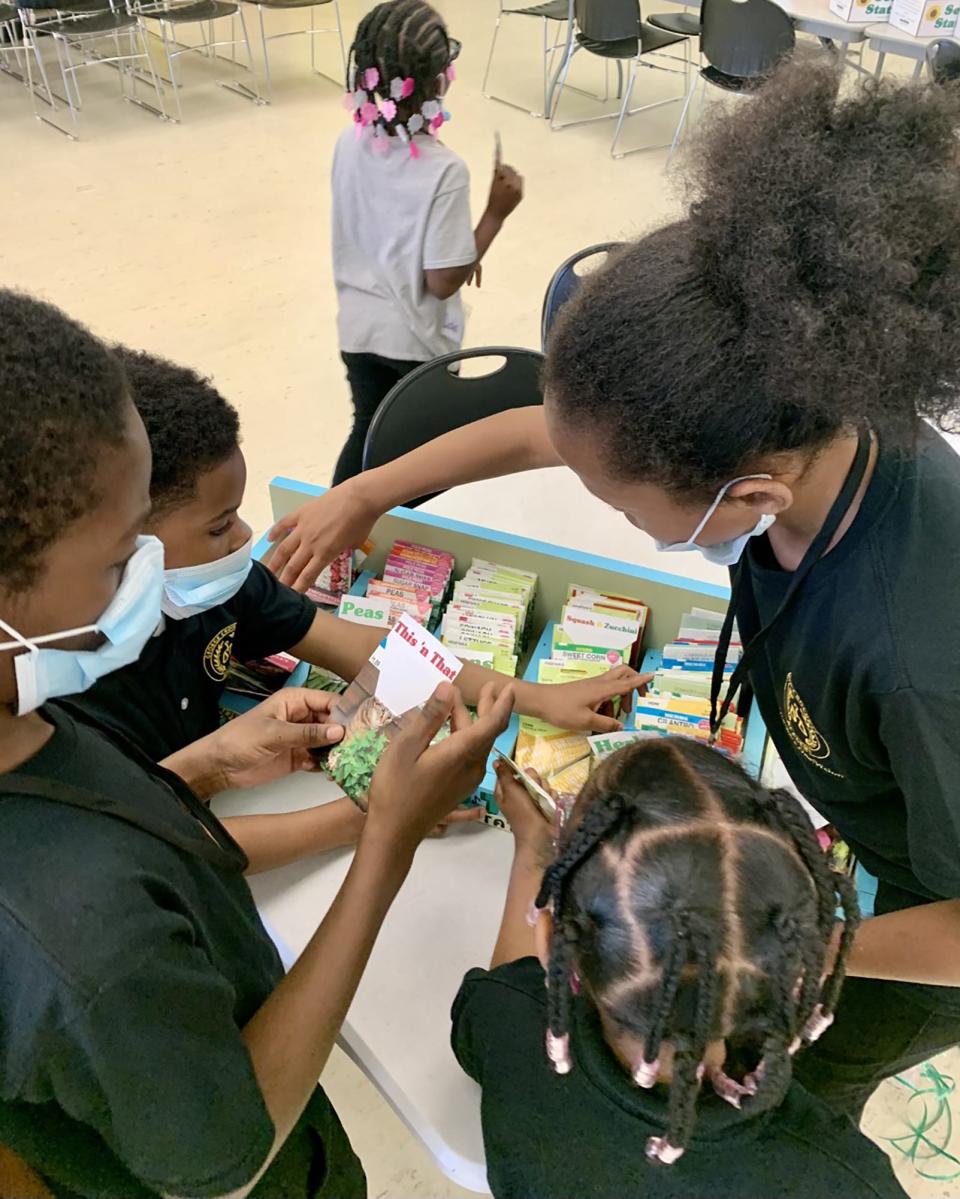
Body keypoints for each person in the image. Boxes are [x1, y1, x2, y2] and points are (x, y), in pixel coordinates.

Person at [270, 64, 960, 1122]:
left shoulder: (915, 661)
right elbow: (546, 429)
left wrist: (764, 943)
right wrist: (371, 485)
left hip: (903, 927)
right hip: (848, 833)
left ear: (752, 494)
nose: (623, 518)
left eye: (632, 513)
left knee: (792, 1094)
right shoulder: (783, 413)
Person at [0, 288, 515, 1198]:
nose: (147, 582)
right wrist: (382, 836)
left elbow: (118, 798)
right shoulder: (90, 947)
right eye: (125, 560)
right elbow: (228, 1157)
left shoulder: (35, 709)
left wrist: (206, 764)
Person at [59, 348, 641, 786]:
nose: (244, 536)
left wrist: (532, 697)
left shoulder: (218, 586)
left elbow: (370, 648)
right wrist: (377, 822)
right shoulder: (60, 685)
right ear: (120, 538)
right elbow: (134, 832)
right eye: (219, 526)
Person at [450, 740, 907, 1198]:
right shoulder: (850, 1180)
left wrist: (532, 850)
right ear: (793, 962)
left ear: (549, 944)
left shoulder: (505, 1019)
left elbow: (502, 992)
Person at [330, 0, 523, 484]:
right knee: (421, 458)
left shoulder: (348, 143)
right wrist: (495, 215)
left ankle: (337, 538)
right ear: (439, 80)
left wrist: (460, 247)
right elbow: (441, 282)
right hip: (415, 343)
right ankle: (411, 540)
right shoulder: (444, 170)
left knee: (367, 434)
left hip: (358, 329)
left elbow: (380, 225)